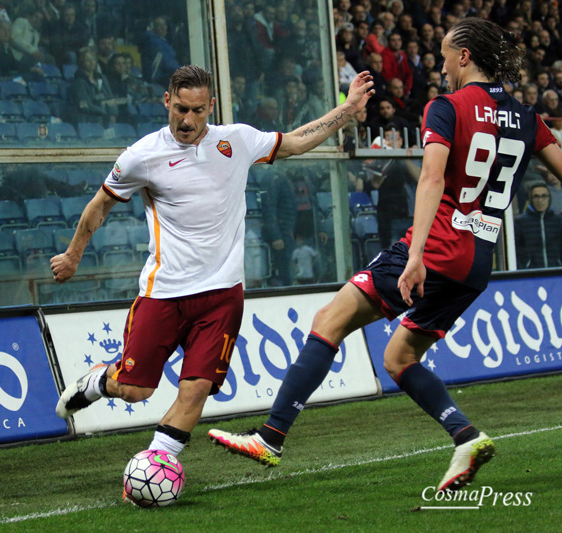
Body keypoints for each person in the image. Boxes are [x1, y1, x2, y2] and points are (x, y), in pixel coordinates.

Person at [209, 18, 562, 494]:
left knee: (330, 320)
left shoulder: (447, 107)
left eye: (443, 55)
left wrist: (415, 255)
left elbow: (433, 180)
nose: (440, 65)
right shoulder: (527, 118)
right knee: (399, 357)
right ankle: (465, 436)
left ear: (464, 57)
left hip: (434, 248)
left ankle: (270, 437)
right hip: (478, 264)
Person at [53, 65, 375, 461]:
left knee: (196, 388)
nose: (187, 120)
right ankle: (101, 379)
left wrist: (348, 108)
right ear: (167, 101)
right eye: (180, 109)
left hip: (222, 295)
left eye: (198, 111)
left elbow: (294, 142)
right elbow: (99, 206)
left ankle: (158, 463)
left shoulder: (236, 140)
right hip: (164, 292)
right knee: (137, 391)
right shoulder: (142, 156)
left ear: (211, 106)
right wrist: (73, 255)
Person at [514, 182, 562, 269]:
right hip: (531, 274)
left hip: (556, 272)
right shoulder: (520, 222)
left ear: (549, 198)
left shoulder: (559, 221)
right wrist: (523, 268)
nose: (540, 200)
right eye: (536, 196)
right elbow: (515, 250)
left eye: (544, 196)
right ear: (530, 199)